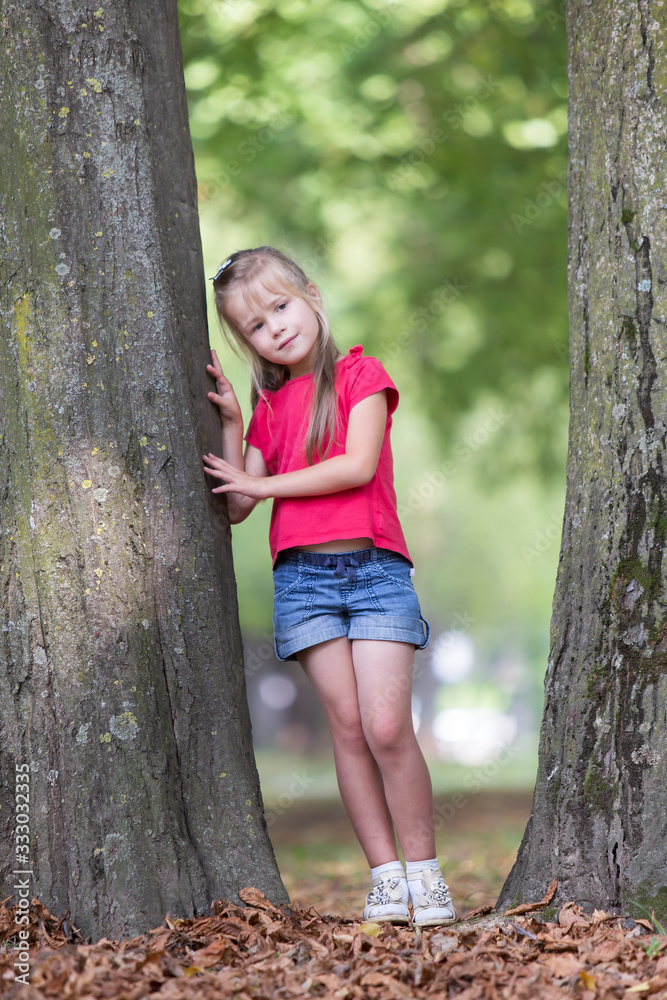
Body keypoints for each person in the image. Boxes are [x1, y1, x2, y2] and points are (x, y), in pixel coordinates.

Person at [202, 245, 456, 927]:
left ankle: (426, 873)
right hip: (303, 583)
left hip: (374, 573)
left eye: (280, 306)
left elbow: (355, 465)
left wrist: (260, 481)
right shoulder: (268, 408)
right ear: (245, 340)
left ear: (310, 296)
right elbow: (235, 504)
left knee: (385, 728)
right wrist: (233, 426)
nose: (275, 327)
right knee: (345, 729)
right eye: (255, 325)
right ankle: (385, 876)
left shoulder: (360, 374)